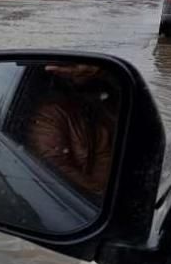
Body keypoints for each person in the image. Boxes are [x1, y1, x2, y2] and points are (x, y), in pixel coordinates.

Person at [24, 65, 119, 202]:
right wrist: (106, 198)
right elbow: (57, 169)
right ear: (53, 71)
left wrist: (102, 71)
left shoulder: (108, 98)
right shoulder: (50, 115)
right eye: (67, 64)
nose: (77, 68)